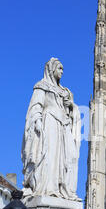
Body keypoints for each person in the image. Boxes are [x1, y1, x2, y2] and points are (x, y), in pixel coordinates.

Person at [22, 57, 81, 201]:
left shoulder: (65, 92)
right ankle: (48, 188)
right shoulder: (42, 86)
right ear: (51, 69)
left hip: (64, 125)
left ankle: (65, 189)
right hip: (50, 123)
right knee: (50, 155)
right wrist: (37, 121)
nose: (62, 71)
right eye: (59, 68)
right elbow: (36, 106)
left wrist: (71, 106)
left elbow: (72, 110)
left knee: (70, 156)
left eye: (63, 69)